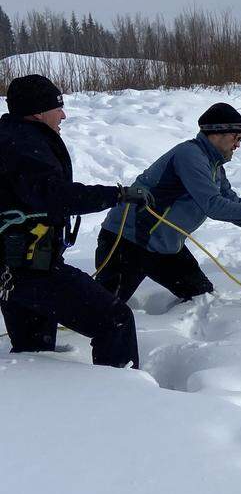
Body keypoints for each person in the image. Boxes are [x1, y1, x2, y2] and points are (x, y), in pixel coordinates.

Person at [0, 74, 146, 367]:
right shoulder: (25, 143)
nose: (63, 114)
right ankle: (126, 401)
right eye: (58, 107)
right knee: (115, 320)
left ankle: (48, 408)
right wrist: (116, 195)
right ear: (38, 111)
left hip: (16, 268)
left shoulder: (12, 135)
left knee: (34, 355)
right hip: (31, 268)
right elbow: (53, 194)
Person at [95, 103, 241, 305]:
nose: (238, 144)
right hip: (127, 242)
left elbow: (234, 206)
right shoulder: (189, 156)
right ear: (217, 133)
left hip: (164, 247)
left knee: (201, 295)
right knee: (100, 311)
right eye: (236, 138)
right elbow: (214, 206)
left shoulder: (214, 167)